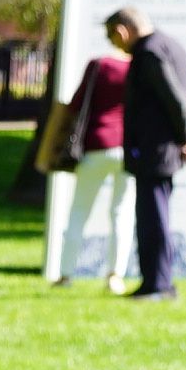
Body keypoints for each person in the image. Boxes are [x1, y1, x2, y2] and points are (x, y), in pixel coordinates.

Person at [105, 6, 186, 299]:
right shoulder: (173, 46)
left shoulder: (148, 52)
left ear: (122, 31)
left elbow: (176, 99)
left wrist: (185, 137)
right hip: (164, 147)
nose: (119, 49)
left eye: (114, 41)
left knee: (152, 217)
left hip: (154, 149)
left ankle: (156, 284)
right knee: (158, 214)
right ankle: (159, 281)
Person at [45, 43, 129, 288]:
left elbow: (76, 103)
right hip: (125, 147)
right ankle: (115, 275)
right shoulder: (134, 67)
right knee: (120, 212)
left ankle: (66, 274)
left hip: (95, 145)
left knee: (79, 210)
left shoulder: (99, 65)